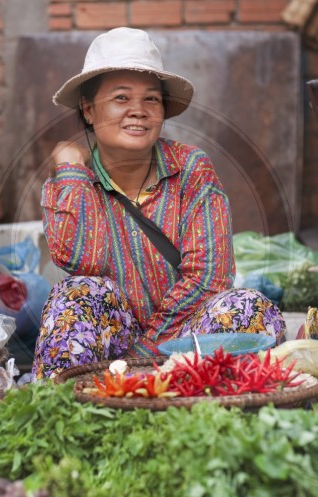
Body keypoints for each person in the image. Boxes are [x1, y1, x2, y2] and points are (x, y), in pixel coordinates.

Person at [32, 27, 286, 380]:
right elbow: (81, 261)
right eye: (121, 98)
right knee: (76, 294)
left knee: (245, 306)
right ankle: (71, 416)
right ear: (89, 110)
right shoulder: (69, 183)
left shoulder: (190, 168)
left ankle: (212, 417)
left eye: (151, 99)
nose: (138, 111)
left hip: (183, 342)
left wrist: (144, 359)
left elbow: (209, 278)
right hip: (109, 351)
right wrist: (72, 168)